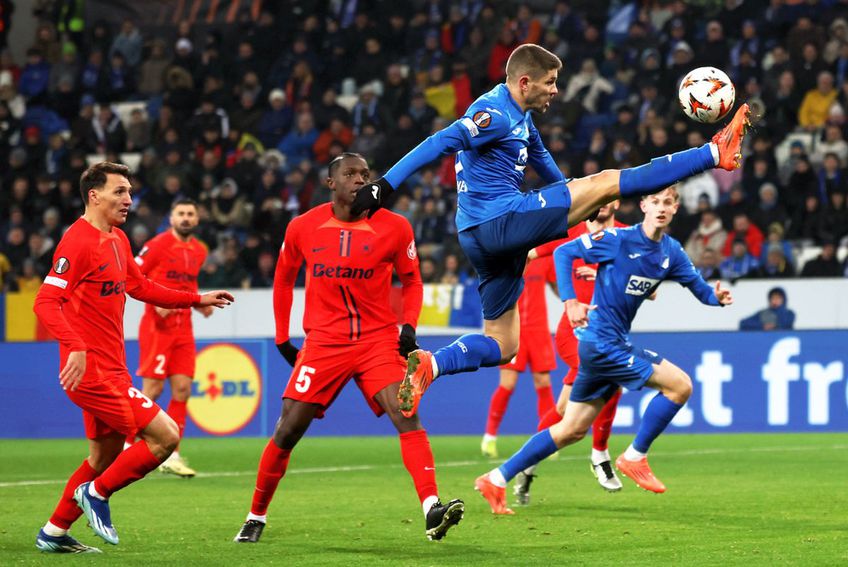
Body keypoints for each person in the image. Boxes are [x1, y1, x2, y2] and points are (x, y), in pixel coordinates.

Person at [347, 43, 750, 418]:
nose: (556, 91)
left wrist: (579, 199)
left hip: (482, 239)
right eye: (551, 82)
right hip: (498, 220)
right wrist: (385, 185)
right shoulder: (494, 114)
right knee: (610, 180)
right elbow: (440, 140)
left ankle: (431, 365)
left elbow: (545, 166)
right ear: (525, 82)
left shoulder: (519, 115)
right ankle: (714, 152)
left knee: (504, 345)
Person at [234, 153, 463, 544]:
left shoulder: (395, 227)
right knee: (289, 430)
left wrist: (409, 325)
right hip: (324, 341)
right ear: (331, 183)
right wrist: (280, 336)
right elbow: (283, 279)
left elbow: (412, 281)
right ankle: (256, 516)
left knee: (406, 413)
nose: (360, 179)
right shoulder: (303, 227)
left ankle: (431, 508)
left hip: (377, 340)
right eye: (350, 173)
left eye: (365, 174)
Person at [474, 187, 733, 515]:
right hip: (600, 343)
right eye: (656, 202)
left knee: (570, 429)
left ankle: (497, 478)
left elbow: (699, 290)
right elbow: (563, 253)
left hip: (606, 346)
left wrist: (717, 297)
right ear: (643, 205)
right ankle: (633, 456)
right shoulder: (618, 239)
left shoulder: (672, 252)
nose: (662, 208)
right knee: (680, 385)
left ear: (676, 208)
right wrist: (569, 301)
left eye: (668, 202)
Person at [33, 162, 233, 552]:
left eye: (129, 191)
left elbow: (141, 287)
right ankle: (97, 495)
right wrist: (74, 346)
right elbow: (46, 301)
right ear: (94, 195)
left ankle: (54, 532)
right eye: (119, 191)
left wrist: (195, 299)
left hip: (113, 368)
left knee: (103, 456)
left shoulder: (118, 240)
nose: (129, 199)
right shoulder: (77, 241)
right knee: (165, 436)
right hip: (92, 373)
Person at [517, 201, 629, 501]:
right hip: (573, 332)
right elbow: (528, 252)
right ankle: (600, 457)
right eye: (599, 197)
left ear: (617, 203)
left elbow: (653, 289)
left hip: (606, 333)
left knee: (564, 411)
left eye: (609, 199)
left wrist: (611, 278)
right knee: (612, 372)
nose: (602, 204)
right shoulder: (569, 234)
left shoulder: (627, 236)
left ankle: (525, 467)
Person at [125, 198, 212, 477]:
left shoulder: (199, 251)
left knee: (183, 390)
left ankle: (171, 455)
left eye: (190, 214)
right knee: (152, 391)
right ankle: (126, 448)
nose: (186, 218)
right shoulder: (158, 245)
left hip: (183, 328)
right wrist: (154, 302)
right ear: (171, 218)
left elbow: (188, 284)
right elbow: (133, 275)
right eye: (181, 214)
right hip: (156, 327)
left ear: (196, 220)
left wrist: (200, 303)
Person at [480, 254, 558, 459]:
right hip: (513, 329)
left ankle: (547, 439)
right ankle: (489, 438)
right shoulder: (508, 256)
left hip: (539, 330)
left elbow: (560, 288)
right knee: (507, 384)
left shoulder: (544, 257)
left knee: (543, 382)